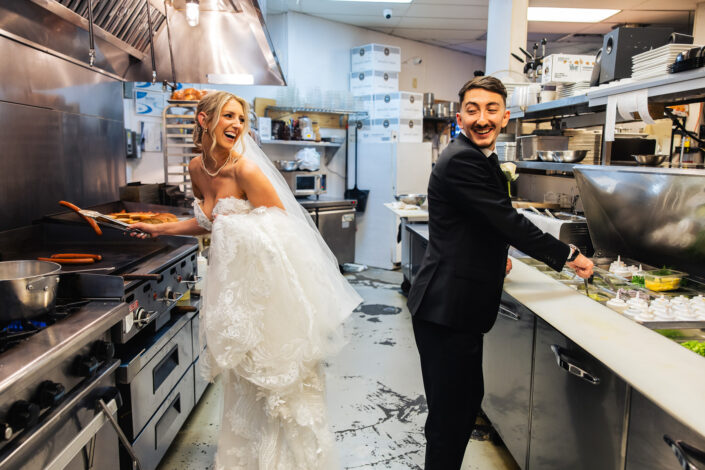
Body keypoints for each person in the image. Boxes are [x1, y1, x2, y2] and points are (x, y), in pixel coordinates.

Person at [130, 91, 361, 469]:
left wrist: (235, 231)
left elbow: (286, 232)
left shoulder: (246, 171)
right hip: (233, 297)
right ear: (204, 120)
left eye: (241, 118)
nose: (236, 125)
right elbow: (209, 222)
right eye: (228, 116)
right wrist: (159, 229)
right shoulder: (196, 168)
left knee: (276, 385)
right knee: (243, 385)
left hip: (266, 294)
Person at [406, 76, 593, 470]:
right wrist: (568, 254)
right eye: (472, 110)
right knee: (451, 418)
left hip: (452, 306)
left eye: (491, 109)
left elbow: (481, 222)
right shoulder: (463, 159)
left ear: (505, 117)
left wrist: (494, 255)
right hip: (447, 310)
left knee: (461, 407)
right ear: (460, 118)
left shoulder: (478, 157)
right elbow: (506, 221)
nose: (482, 118)